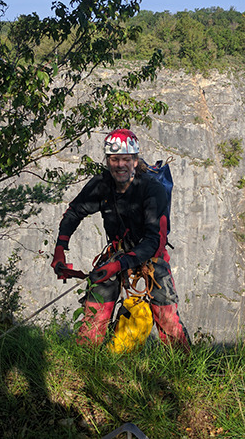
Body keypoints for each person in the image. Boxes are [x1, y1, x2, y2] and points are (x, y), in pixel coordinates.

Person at [51, 128, 190, 351]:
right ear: (108, 161)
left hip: (150, 256)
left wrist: (118, 265)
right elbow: (74, 212)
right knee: (95, 311)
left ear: (135, 161)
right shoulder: (102, 185)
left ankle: (184, 367)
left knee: (167, 318)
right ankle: (86, 360)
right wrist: (60, 248)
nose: (120, 165)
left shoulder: (152, 190)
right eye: (115, 159)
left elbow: (155, 241)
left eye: (126, 159)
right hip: (118, 252)